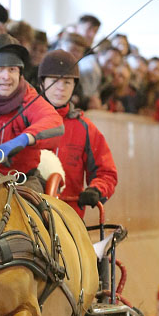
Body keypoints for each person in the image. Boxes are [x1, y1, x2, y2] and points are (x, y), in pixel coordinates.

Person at [0, 34, 63, 191]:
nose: (6, 76)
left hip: (21, 181)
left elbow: (54, 122)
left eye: (12, 69)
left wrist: (24, 139)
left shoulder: (29, 97)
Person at [38, 49, 118, 219]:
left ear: (74, 86)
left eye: (67, 82)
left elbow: (106, 173)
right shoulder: (24, 122)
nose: (61, 88)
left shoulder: (85, 128)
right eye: (54, 81)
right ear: (42, 84)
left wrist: (96, 189)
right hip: (26, 215)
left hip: (68, 217)